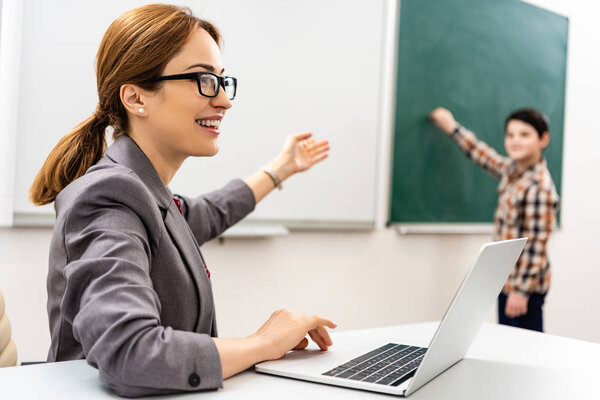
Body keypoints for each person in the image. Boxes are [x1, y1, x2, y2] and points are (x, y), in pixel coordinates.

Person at [29, 4, 335, 397]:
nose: (224, 101)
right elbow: (131, 353)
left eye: (223, 82)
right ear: (136, 98)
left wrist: (280, 168)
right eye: (203, 80)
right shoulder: (108, 198)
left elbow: (210, 212)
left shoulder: (145, 193)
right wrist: (265, 342)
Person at [429, 107, 559, 333]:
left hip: (523, 288)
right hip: (506, 280)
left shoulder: (539, 187)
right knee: (509, 343)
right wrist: (452, 127)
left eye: (524, 134)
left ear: (543, 139)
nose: (515, 140)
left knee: (523, 351)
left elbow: (535, 246)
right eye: (510, 135)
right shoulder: (513, 171)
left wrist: (521, 292)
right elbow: (484, 155)